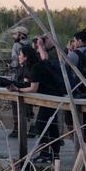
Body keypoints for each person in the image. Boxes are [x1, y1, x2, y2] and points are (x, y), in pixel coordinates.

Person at [13, 35, 64, 163]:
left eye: (20, 55)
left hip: (51, 96)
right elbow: (28, 84)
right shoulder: (30, 67)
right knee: (51, 125)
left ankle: (47, 153)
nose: (18, 57)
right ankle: (54, 154)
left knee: (41, 125)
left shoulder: (35, 67)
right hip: (50, 96)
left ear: (26, 57)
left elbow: (33, 88)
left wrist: (18, 90)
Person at [8, 27, 29, 138]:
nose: (14, 36)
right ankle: (29, 127)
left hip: (17, 77)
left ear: (20, 35)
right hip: (26, 76)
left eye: (15, 34)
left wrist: (11, 65)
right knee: (27, 105)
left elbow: (15, 61)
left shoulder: (16, 45)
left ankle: (17, 128)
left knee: (15, 103)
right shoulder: (29, 45)